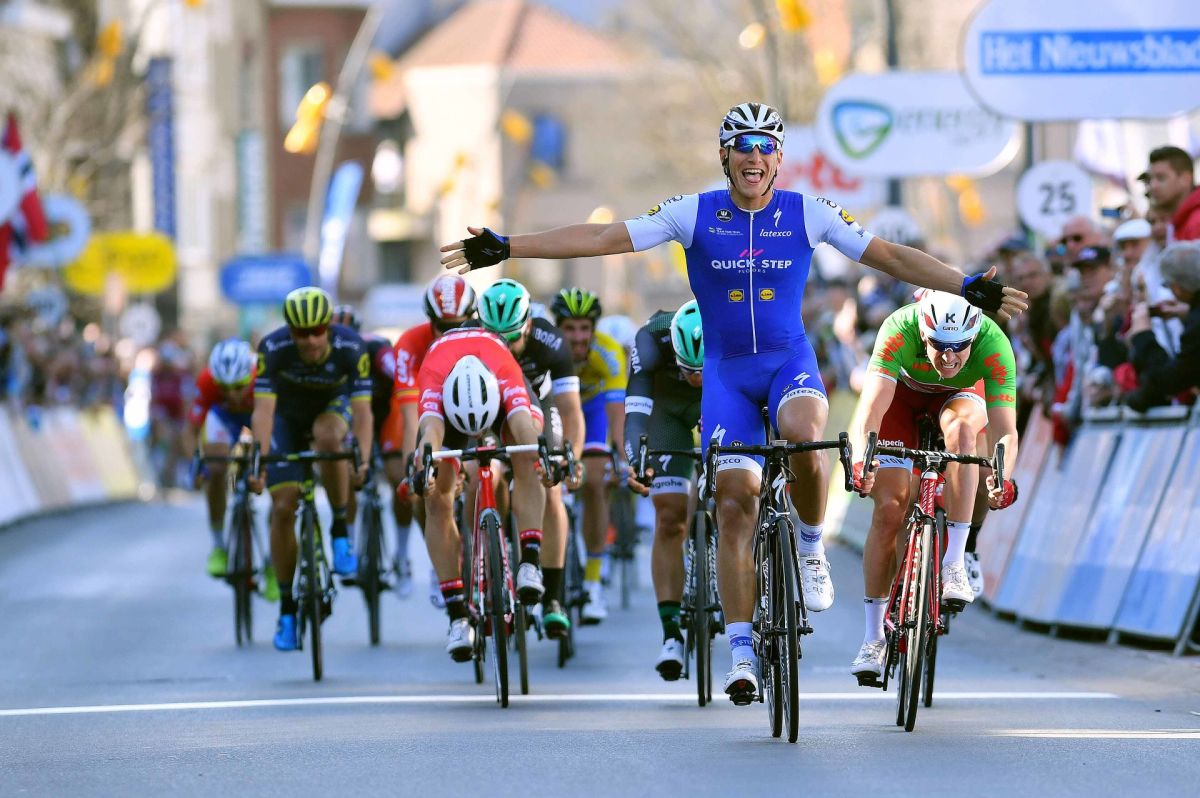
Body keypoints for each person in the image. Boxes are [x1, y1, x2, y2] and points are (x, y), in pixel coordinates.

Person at [439, 101, 1027, 704]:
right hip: (726, 377)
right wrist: (508, 247)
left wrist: (965, 285)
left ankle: (809, 546)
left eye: (766, 146)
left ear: (779, 159)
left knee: (804, 435)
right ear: (725, 155)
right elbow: (603, 237)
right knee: (733, 504)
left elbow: (891, 256)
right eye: (743, 145)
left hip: (787, 361)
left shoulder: (808, 212)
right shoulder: (692, 213)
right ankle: (742, 652)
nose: (754, 156)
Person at [849, 291, 1020, 681]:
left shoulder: (993, 342)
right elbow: (871, 409)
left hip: (959, 397)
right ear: (922, 332)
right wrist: (862, 460)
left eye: (960, 346)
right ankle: (873, 637)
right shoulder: (898, 328)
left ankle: (955, 561)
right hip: (901, 398)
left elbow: (1005, 430)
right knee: (890, 508)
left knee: (964, 436)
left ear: (974, 336)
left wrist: (1004, 477)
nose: (949, 356)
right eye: (939, 345)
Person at [247, 287, 373, 652]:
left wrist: (363, 459)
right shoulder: (273, 348)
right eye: (302, 333)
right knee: (282, 507)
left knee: (328, 437)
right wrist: (258, 462)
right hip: (286, 418)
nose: (312, 340)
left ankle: (339, 530)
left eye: (318, 331)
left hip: (333, 409)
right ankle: (287, 609)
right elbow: (263, 412)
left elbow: (363, 413)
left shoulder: (351, 347)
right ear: (290, 331)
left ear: (329, 327)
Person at [411, 327, 547, 661]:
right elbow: (431, 432)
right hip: (449, 406)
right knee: (435, 497)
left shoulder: (504, 367)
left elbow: (525, 427)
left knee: (528, 455)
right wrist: (425, 469)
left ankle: (530, 560)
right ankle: (457, 614)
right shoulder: (433, 377)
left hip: (498, 396)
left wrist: (544, 459)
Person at [473, 277, 584, 637]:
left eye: (512, 339)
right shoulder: (470, 337)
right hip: (490, 408)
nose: (504, 349)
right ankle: (482, 564)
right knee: (479, 474)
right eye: (496, 340)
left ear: (528, 326)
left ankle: (552, 597)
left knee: (548, 483)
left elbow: (570, 409)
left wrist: (571, 457)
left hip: (539, 404)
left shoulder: (550, 340)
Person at [624, 300, 704, 681]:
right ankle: (671, 634)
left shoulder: (732, 330)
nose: (696, 378)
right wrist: (637, 460)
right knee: (670, 517)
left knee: (740, 497)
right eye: (690, 370)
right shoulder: (650, 340)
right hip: (666, 409)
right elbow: (635, 413)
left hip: (720, 397)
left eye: (701, 371)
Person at [390, 274, 477, 605]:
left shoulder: (483, 337)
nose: (450, 334)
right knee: (422, 489)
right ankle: (440, 561)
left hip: (475, 412)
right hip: (432, 416)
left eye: (459, 326)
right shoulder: (410, 344)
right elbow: (411, 417)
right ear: (430, 321)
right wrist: (414, 468)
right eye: (442, 327)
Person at [550, 287, 628, 624]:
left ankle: (593, 582)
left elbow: (617, 412)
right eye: (569, 328)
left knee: (596, 482)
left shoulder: (608, 352)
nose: (578, 337)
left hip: (593, 413)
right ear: (557, 328)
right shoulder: (548, 348)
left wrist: (621, 455)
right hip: (555, 411)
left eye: (585, 328)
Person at [186, 338, 276, 597]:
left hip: (259, 413)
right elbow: (192, 429)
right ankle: (218, 546)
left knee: (278, 481)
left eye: (238, 386)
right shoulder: (207, 380)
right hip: (224, 418)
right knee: (215, 469)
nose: (233, 394)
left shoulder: (263, 376)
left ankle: (273, 561)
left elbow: (271, 423)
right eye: (224, 388)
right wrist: (196, 465)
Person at [330, 304, 410, 594]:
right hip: (354, 415)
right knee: (348, 472)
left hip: (387, 413)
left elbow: (401, 377)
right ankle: (350, 545)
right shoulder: (325, 354)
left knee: (399, 479)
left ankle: (402, 557)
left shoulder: (376, 348)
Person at [1124, 244, 1200, 411]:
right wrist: (1189, 312)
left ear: (1177, 287)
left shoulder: (1195, 327)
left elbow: (1170, 380)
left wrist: (1143, 335)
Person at [1141, 145, 1200, 242]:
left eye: (1161, 178)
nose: (1153, 186)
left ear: (1185, 179)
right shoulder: (1182, 221)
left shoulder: (1196, 223)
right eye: (1150, 179)